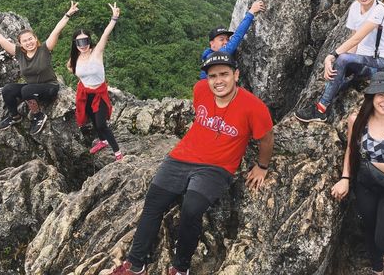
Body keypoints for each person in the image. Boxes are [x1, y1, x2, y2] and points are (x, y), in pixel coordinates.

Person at [110, 51, 274, 275]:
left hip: (216, 167)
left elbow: (266, 138)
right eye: (213, 76)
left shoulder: (253, 107)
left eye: (224, 74)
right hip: (181, 157)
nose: (218, 81)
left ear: (236, 75)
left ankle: (180, 268)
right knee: (153, 203)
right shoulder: (200, 90)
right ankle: (136, 264)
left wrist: (262, 166)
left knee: (191, 209)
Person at [330, 72, 384, 275]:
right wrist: (345, 178)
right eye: (381, 95)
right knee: (369, 226)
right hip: (365, 184)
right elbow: (351, 150)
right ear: (372, 96)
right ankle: (378, 269)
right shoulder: (357, 119)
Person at [295, 0, 384, 123]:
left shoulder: (379, 10)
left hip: (380, 63)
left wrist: (332, 56)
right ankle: (328, 97)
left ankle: (321, 110)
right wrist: (340, 64)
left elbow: (357, 38)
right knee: (338, 68)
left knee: (341, 59)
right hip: (363, 61)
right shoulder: (355, 7)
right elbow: (354, 40)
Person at [0, 2, 79, 135]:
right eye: (25, 41)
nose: (28, 42)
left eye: (30, 39)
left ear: (35, 39)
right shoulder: (19, 53)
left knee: (27, 89)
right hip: (32, 89)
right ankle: (15, 116)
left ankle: (38, 115)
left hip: (49, 87)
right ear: (20, 44)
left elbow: (56, 31)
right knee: (8, 89)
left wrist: (68, 14)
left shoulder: (44, 49)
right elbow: (0, 39)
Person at [67, 3, 123, 161]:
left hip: (99, 93)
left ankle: (117, 152)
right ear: (75, 44)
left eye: (85, 41)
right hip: (85, 93)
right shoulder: (75, 58)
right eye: (79, 42)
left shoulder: (96, 52)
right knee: (91, 119)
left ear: (89, 41)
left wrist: (114, 18)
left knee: (101, 124)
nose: (83, 45)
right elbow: (73, 69)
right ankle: (103, 141)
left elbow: (105, 34)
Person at [199, 0, 265, 79]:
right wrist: (251, 12)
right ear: (212, 43)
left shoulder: (210, 56)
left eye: (227, 39)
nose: (226, 42)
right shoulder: (214, 57)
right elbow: (237, 36)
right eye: (221, 39)